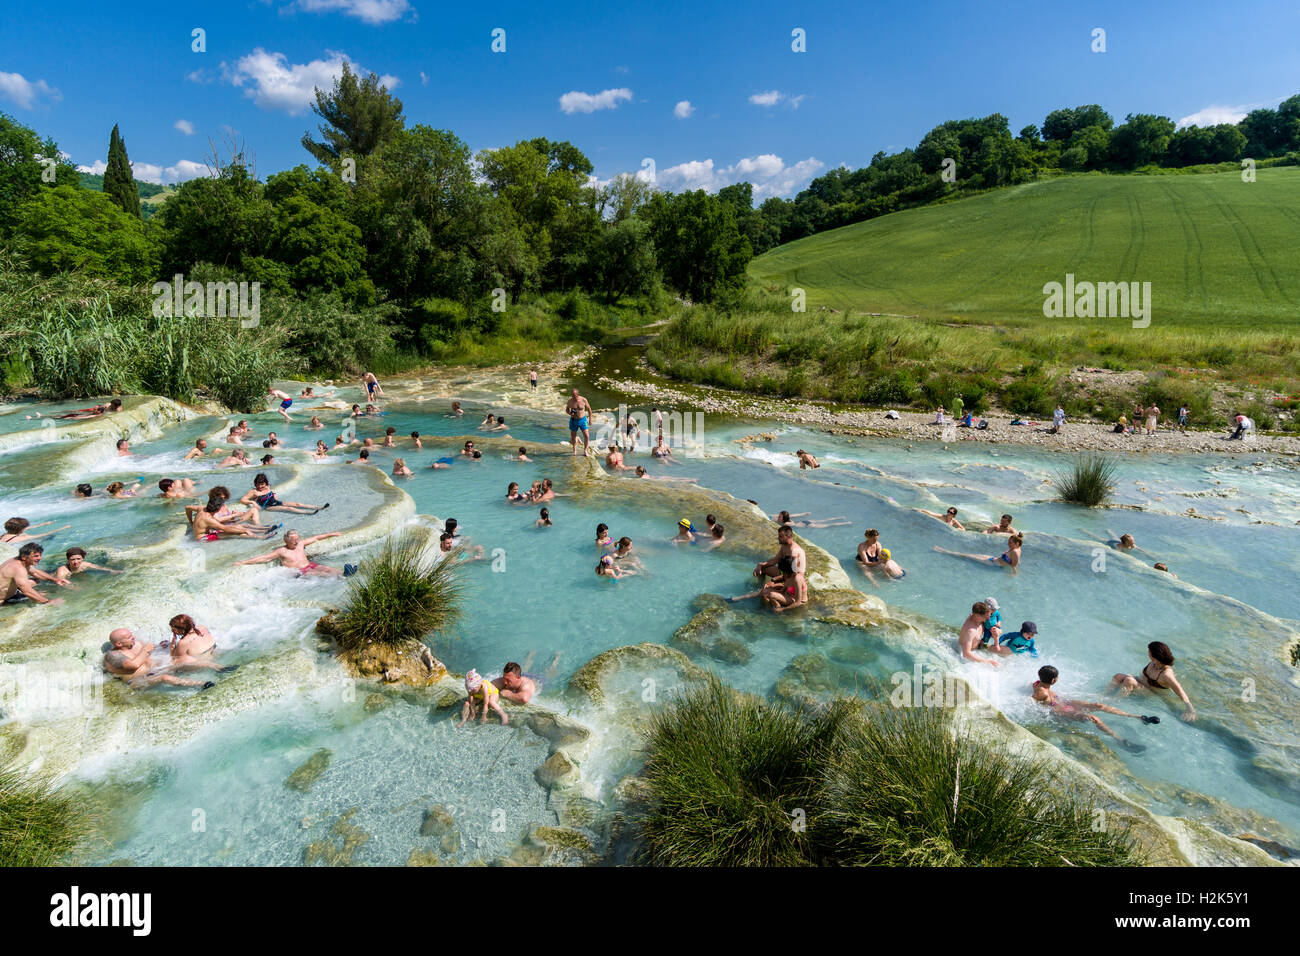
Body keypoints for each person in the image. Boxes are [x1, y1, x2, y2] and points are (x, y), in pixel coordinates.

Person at [1033, 665, 1156, 751]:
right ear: (1054, 679)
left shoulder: (1039, 683)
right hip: (1062, 711)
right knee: (1094, 718)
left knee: (1098, 705)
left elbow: (1033, 688)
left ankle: (1138, 717)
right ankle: (1119, 740)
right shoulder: (1041, 692)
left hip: (1064, 702)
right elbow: (1033, 700)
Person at [1108, 641, 1196, 721]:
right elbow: (1142, 678)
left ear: (1154, 655)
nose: (1148, 653)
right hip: (1140, 684)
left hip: (1151, 693)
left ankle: (1114, 702)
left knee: (1129, 681)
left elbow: (1179, 690)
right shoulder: (1154, 663)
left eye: (1149, 651)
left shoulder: (1166, 674)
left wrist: (1190, 708)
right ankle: (1104, 695)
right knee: (1118, 676)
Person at [102, 628, 211, 689]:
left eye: (131, 635)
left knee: (184, 660)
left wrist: (162, 646)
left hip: (155, 670)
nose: (133, 637)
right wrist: (145, 650)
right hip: (137, 681)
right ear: (119, 643)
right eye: (129, 637)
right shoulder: (112, 655)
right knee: (165, 678)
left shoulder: (137, 644)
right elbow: (132, 666)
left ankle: (221, 668)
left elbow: (152, 650)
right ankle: (202, 685)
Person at [234, 529, 355, 577]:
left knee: (327, 568)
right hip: (300, 572)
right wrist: (243, 562)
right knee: (319, 574)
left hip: (310, 565)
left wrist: (332, 534)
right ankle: (343, 577)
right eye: (294, 540)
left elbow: (316, 538)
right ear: (286, 540)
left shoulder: (300, 544)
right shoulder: (282, 551)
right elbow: (265, 558)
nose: (297, 541)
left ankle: (344, 574)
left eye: (298, 539)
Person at [1, 543, 67, 606]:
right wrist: (48, 601)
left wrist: (55, 580)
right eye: (36, 556)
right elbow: (27, 591)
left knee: (35, 581)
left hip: (11, 593)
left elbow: (35, 572)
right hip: (2, 600)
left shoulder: (18, 560)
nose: (39, 558)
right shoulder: (18, 568)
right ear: (24, 557)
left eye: (40, 555)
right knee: (41, 595)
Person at [933, 533, 1023, 572]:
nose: (1008, 544)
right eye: (1008, 541)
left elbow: (1014, 565)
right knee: (970, 555)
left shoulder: (1015, 551)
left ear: (1017, 543)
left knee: (966, 556)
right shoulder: (1017, 548)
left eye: (1010, 542)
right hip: (993, 559)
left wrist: (1013, 577)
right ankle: (944, 551)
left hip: (993, 563)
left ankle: (944, 552)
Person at [240, 474, 327, 515]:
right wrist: (253, 503)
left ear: (266, 483)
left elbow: (272, 493)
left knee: (298, 504)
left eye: (262, 484)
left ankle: (319, 507)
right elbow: (243, 499)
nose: (260, 486)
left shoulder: (268, 487)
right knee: (289, 508)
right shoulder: (254, 491)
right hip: (268, 507)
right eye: (258, 484)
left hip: (276, 502)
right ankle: (309, 512)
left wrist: (274, 494)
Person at [957, 602, 1000, 668]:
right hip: (967, 655)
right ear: (977, 615)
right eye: (986, 617)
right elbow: (966, 654)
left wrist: (998, 631)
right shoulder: (970, 630)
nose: (989, 619)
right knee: (992, 666)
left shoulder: (981, 619)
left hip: (980, 646)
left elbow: (995, 631)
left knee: (1004, 652)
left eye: (990, 615)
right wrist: (988, 662)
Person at [55, 546, 122, 580]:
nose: (76, 562)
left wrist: (113, 571)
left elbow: (100, 567)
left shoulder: (85, 564)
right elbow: (61, 582)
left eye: (78, 559)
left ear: (83, 559)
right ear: (68, 560)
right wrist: (74, 588)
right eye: (72, 559)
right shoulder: (62, 571)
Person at [565, 388, 593, 456]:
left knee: (586, 435)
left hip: (583, 420)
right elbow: (567, 409)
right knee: (573, 436)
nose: (573, 397)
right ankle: (574, 450)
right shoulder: (570, 401)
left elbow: (589, 409)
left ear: (578, 394)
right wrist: (570, 413)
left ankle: (585, 451)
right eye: (572, 395)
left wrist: (590, 419)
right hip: (573, 420)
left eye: (574, 395)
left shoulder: (583, 399)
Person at [2, 518, 69, 544]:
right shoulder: (23, 537)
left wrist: (43, 524)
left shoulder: (4, 535)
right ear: (20, 529)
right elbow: (44, 534)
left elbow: (27, 528)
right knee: (48, 538)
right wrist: (62, 528)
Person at [773, 509, 850, 528]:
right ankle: (841, 517)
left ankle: (846, 523)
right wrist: (806, 513)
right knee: (825, 520)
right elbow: (798, 515)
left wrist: (774, 522)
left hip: (807, 525)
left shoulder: (786, 524)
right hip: (804, 521)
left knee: (828, 525)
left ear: (783, 519)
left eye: (779, 516)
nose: (778, 517)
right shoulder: (789, 518)